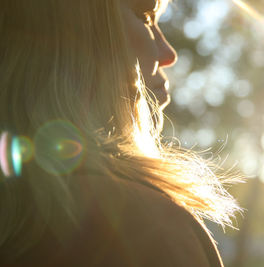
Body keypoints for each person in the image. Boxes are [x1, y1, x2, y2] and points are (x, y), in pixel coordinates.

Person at [0, 0, 241, 266]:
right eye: (145, 16)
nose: (168, 53)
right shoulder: (145, 228)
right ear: (77, 35)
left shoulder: (20, 215)